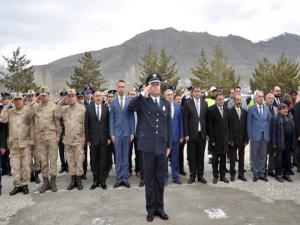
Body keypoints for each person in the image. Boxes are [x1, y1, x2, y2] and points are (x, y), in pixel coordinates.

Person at [128, 73, 172, 222]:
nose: (156, 87)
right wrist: (142, 93)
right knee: (149, 180)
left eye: (158, 84)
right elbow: (130, 107)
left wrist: (169, 145)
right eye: (153, 84)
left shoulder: (166, 103)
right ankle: (150, 209)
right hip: (147, 148)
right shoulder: (143, 102)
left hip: (161, 148)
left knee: (160, 179)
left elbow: (168, 127)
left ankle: (160, 207)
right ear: (148, 87)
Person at [28, 86, 62, 193]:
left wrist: (58, 135)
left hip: (51, 137)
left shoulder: (53, 106)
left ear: (49, 95)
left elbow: (57, 122)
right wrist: (32, 104)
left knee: (53, 160)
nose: (43, 97)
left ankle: (53, 181)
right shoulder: (36, 107)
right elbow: (28, 117)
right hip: (40, 139)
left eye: (45, 95)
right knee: (43, 161)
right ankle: (45, 181)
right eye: (41, 96)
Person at [0, 93, 33, 195]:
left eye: (19, 99)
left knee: (26, 166)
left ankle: (25, 185)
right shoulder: (10, 112)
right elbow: (2, 118)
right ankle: (17, 185)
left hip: (25, 143)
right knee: (15, 166)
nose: (17, 101)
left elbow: (32, 126)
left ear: (22, 100)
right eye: (15, 100)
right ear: (13, 101)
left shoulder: (27, 111)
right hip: (14, 144)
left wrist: (31, 142)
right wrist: (7, 105)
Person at [56, 89, 86, 190]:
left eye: (73, 95)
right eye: (69, 96)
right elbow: (56, 113)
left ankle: (79, 180)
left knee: (79, 160)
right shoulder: (64, 109)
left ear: (76, 97)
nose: (71, 97)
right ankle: (73, 180)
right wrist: (62, 100)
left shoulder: (82, 109)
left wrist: (84, 138)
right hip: (68, 140)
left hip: (78, 140)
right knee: (71, 161)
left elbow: (84, 125)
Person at [109, 80, 135, 188]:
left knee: (126, 157)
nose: (121, 88)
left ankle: (125, 178)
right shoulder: (113, 102)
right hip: (117, 134)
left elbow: (132, 118)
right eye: (119, 86)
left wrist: (132, 132)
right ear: (117, 88)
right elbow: (111, 119)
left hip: (127, 133)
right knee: (118, 157)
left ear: (125, 88)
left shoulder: (129, 101)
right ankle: (119, 179)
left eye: (122, 87)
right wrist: (112, 134)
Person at [85, 91, 110, 190]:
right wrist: (88, 139)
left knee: (103, 160)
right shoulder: (89, 109)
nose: (98, 97)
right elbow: (86, 125)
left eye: (100, 96)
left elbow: (108, 124)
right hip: (93, 140)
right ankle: (95, 180)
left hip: (104, 139)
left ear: (102, 97)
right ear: (93, 97)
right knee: (94, 161)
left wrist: (108, 137)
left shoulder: (106, 108)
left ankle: (103, 180)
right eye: (96, 96)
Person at [183, 86, 208, 184]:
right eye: (195, 91)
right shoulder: (187, 103)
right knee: (192, 156)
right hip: (191, 135)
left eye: (199, 91)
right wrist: (186, 133)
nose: (197, 93)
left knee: (201, 156)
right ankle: (192, 175)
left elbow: (206, 119)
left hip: (202, 134)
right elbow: (185, 119)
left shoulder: (204, 103)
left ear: (201, 93)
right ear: (192, 93)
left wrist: (207, 133)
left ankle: (200, 175)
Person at [247, 90, 271, 182]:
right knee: (255, 155)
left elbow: (268, 122)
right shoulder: (251, 109)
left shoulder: (266, 108)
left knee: (263, 155)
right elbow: (249, 124)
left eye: (262, 96)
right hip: (255, 136)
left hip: (264, 136)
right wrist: (250, 136)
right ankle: (255, 173)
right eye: (260, 97)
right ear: (256, 98)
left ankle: (262, 173)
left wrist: (268, 135)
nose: (261, 98)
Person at [208, 93, 231, 184]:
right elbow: (210, 127)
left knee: (223, 158)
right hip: (215, 140)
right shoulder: (211, 110)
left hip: (224, 139)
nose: (221, 101)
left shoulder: (226, 110)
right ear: (216, 100)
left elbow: (228, 125)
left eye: (222, 99)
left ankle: (222, 176)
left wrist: (229, 138)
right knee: (215, 159)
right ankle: (215, 176)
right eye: (219, 99)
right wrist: (212, 140)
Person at [164, 89, 184, 185]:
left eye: (171, 95)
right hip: (164, 138)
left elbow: (181, 122)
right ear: (165, 96)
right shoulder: (161, 106)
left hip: (176, 137)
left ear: (173, 95)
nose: (170, 96)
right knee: (164, 158)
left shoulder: (178, 107)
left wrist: (181, 135)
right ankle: (164, 177)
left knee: (175, 158)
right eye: (168, 95)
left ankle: (176, 177)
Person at [271, 103, 295, 182]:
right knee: (279, 159)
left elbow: (293, 130)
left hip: (288, 142)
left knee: (287, 159)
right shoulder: (275, 118)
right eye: (284, 109)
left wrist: (293, 142)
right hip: (280, 142)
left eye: (286, 109)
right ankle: (279, 174)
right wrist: (274, 143)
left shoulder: (290, 118)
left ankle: (286, 174)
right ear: (279, 110)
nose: (286, 110)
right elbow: (273, 132)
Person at [228, 94, 248, 182]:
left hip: (242, 139)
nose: (239, 102)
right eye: (237, 100)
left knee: (241, 157)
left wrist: (246, 139)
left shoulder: (245, 112)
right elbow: (228, 127)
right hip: (233, 139)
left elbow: (246, 126)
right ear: (234, 101)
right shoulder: (229, 112)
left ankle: (241, 174)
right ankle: (232, 174)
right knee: (232, 158)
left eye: (240, 100)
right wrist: (230, 139)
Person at [26, 89, 41, 184]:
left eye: (32, 95)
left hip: (37, 135)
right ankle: (31, 174)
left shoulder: (39, 107)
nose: (31, 97)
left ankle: (36, 174)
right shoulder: (25, 107)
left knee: (37, 156)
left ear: (35, 96)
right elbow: (27, 117)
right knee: (28, 157)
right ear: (27, 97)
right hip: (28, 136)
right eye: (29, 96)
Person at [128, 89, 140, 177]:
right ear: (128, 96)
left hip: (138, 133)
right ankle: (128, 170)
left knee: (138, 153)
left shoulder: (139, 106)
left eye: (134, 94)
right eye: (131, 94)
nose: (132, 96)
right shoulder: (127, 106)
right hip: (128, 133)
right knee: (128, 153)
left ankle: (138, 169)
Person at [265, 93, 278, 177]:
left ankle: (270, 170)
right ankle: (263, 169)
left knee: (272, 153)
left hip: (274, 135)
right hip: (265, 135)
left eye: (272, 98)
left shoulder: (276, 109)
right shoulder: (263, 109)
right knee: (264, 153)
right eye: (269, 98)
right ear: (266, 99)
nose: (271, 100)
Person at [83, 87, 94, 179]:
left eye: (89, 93)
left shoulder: (95, 103)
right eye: (86, 93)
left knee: (92, 152)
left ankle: (93, 167)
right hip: (83, 132)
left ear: (92, 94)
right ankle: (84, 170)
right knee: (84, 153)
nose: (88, 94)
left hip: (92, 132)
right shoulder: (82, 103)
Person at [105, 90, 116, 178]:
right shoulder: (104, 107)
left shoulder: (117, 106)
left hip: (116, 134)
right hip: (107, 135)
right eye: (109, 97)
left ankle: (117, 168)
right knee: (107, 153)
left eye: (112, 97)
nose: (110, 98)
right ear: (107, 98)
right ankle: (108, 167)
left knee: (116, 152)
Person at [0, 92, 11, 177]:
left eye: (5, 99)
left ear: (8, 99)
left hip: (9, 132)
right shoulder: (0, 108)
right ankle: (4, 169)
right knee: (3, 153)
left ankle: (9, 169)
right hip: (2, 133)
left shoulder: (11, 108)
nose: (3, 100)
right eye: (2, 99)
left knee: (9, 152)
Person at [58, 91, 68, 174]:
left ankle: (68, 165)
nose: (64, 98)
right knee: (61, 150)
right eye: (62, 97)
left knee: (67, 150)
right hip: (60, 131)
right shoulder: (58, 107)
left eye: (65, 97)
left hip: (68, 131)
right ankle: (63, 165)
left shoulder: (69, 107)